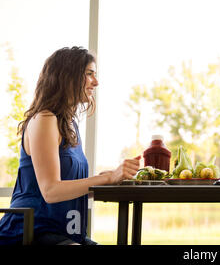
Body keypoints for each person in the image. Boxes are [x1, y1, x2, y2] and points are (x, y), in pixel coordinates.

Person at [0, 47, 141, 245]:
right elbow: (50, 191)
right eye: (89, 74)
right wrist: (108, 177)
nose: (96, 82)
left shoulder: (68, 124)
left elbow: (72, 187)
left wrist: (110, 179)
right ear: (67, 77)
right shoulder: (44, 119)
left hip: (66, 233)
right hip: (31, 231)